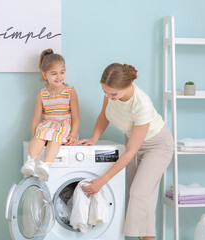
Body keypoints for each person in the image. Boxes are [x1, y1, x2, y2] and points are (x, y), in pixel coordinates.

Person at [74, 63, 174, 240]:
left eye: (113, 94)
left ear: (127, 86)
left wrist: (101, 181)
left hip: (157, 146)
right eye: (105, 92)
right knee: (141, 198)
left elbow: (129, 152)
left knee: (139, 194)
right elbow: (104, 114)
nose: (109, 96)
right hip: (133, 141)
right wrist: (94, 139)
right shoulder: (111, 92)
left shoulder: (141, 104)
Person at [21, 49, 79, 182]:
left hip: (65, 126)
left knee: (55, 137)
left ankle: (46, 165)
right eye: (54, 74)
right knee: (40, 133)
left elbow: (76, 118)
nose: (59, 77)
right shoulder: (42, 95)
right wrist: (35, 134)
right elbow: (35, 120)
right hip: (48, 126)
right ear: (45, 75)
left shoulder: (70, 91)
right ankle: (30, 161)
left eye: (62, 72)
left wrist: (73, 134)